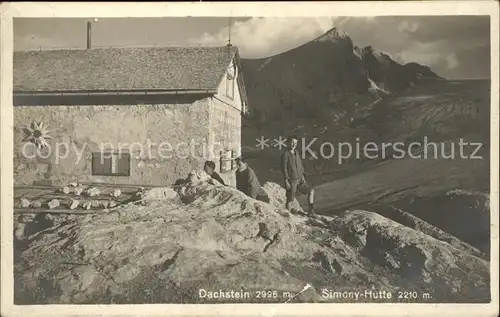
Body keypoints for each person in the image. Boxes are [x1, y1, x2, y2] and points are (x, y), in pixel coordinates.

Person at [281, 135, 316, 216]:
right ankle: (288, 216)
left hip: (301, 178)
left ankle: (311, 210)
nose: (294, 145)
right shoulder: (285, 154)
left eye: (295, 143)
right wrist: (286, 180)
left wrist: (303, 174)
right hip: (292, 179)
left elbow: (300, 164)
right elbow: (284, 168)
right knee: (290, 199)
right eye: (292, 143)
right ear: (288, 143)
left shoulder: (297, 153)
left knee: (311, 191)